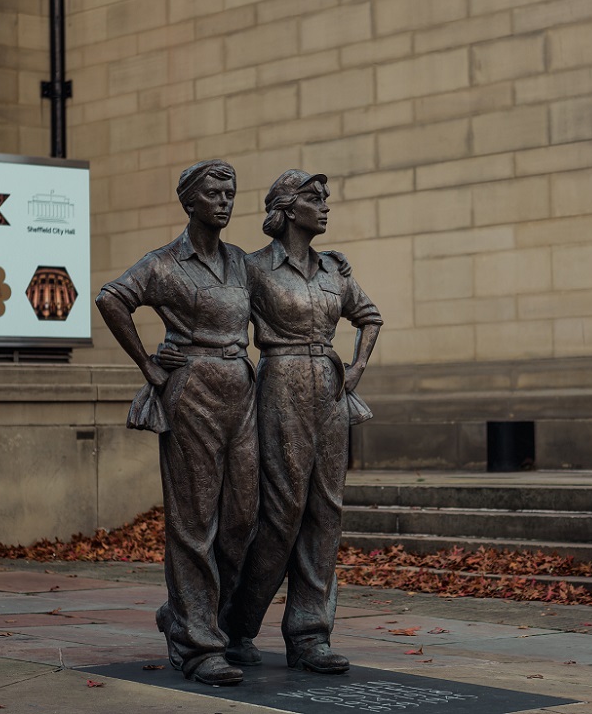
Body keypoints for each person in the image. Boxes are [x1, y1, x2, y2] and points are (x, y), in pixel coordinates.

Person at [95, 160, 256, 687]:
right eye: (214, 193)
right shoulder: (164, 264)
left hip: (242, 393)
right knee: (194, 522)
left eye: (230, 193)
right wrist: (147, 364)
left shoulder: (240, 262)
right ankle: (196, 644)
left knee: (241, 519)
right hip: (192, 395)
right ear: (190, 201)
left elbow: (281, 275)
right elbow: (112, 298)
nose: (225, 201)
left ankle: (186, 613)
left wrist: (332, 265)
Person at [223, 169, 382, 674]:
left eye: (325, 198)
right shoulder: (252, 269)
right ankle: (235, 623)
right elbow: (221, 321)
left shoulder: (335, 270)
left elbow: (370, 317)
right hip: (279, 386)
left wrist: (355, 368)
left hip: (329, 391)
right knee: (281, 514)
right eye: (316, 199)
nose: (326, 205)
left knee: (325, 511)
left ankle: (310, 635)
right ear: (289, 209)